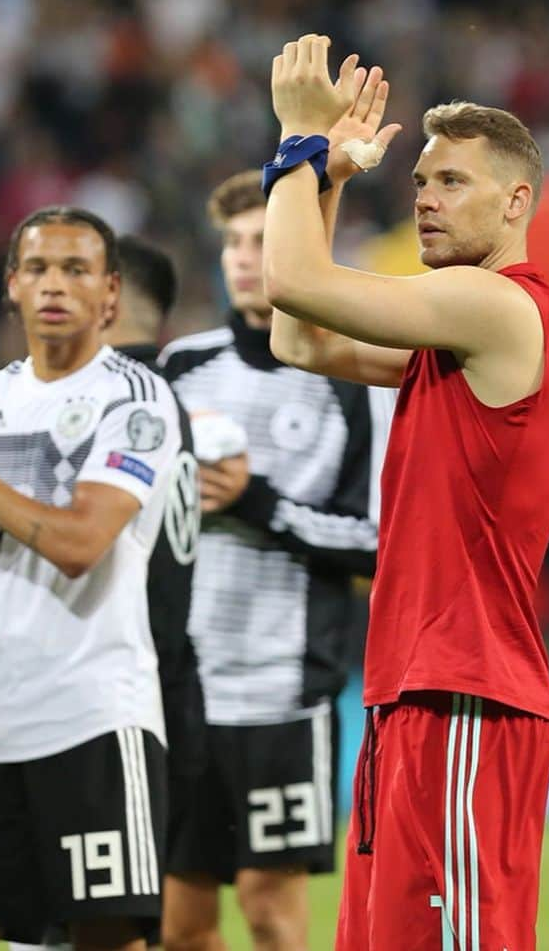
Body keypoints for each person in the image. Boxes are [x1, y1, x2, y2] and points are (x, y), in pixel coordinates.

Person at [262, 35, 549, 950]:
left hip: (469, 688)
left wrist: (296, 141)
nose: (427, 199)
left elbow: (290, 279)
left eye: (453, 184)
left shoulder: (500, 306)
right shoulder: (454, 327)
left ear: (518, 201)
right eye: (422, 181)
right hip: (413, 688)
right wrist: (333, 180)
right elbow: (300, 338)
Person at [0, 207, 182, 951]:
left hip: (96, 722)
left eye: (76, 270)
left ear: (110, 294)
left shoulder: (136, 400)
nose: (55, 285)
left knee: (106, 941)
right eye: (38, 268)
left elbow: (81, 542)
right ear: (11, 284)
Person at [158, 169, 387, 951]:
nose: (246, 258)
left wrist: (261, 505)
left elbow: (380, 542)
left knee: (269, 911)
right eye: (233, 243)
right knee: (181, 921)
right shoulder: (179, 370)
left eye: (263, 240)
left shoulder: (351, 382)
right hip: (185, 689)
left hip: (283, 690)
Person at [102, 236, 204, 866]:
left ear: (105, 294)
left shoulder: (115, 401)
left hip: (111, 698)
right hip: (169, 683)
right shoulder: (169, 400)